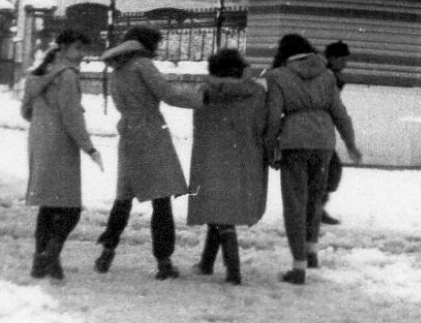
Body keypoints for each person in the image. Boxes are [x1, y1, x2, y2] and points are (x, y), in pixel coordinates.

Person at [95, 27, 202, 280]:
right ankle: (164, 262)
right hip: (151, 133)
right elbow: (169, 95)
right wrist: (203, 99)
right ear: (147, 44)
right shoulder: (143, 65)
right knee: (161, 198)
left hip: (128, 133)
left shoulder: (117, 67)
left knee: (124, 196)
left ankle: (106, 251)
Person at [263, 33, 361, 285]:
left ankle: (298, 267)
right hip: (324, 143)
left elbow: (274, 117)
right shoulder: (327, 75)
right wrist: (350, 143)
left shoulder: (277, 76)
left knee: (294, 203)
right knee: (315, 200)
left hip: (294, 142)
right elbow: (341, 114)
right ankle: (312, 253)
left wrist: (268, 146)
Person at [22, 29, 105, 280]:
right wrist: (90, 148)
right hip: (60, 145)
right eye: (79, 49)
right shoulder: (67, 75)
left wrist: (43, 121)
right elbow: (72, 117)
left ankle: (44, 262)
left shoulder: (40, 72)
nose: (82, 55)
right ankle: (48, 258)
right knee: (71, 208)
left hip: (39, 141)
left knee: (48, 205)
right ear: (65, 47)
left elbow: (26, 110)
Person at [187, 47, 268, 285]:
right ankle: (207, 263)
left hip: (212, 158)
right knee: (224, 212)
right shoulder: (256, 93)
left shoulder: (205, 92)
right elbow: (260, 125)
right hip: (244, 158)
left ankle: (234, 271)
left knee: (221, 213)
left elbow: (200, 126)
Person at [320, 40, 351, 226]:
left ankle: (316, 208)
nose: (345, 64)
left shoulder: (333, 76)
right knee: (332, 170)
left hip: (323, 130)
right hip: (320, 131)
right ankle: (315, 209)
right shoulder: (327, 76)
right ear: (332, 58)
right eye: (342, 59)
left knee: (330, 171)